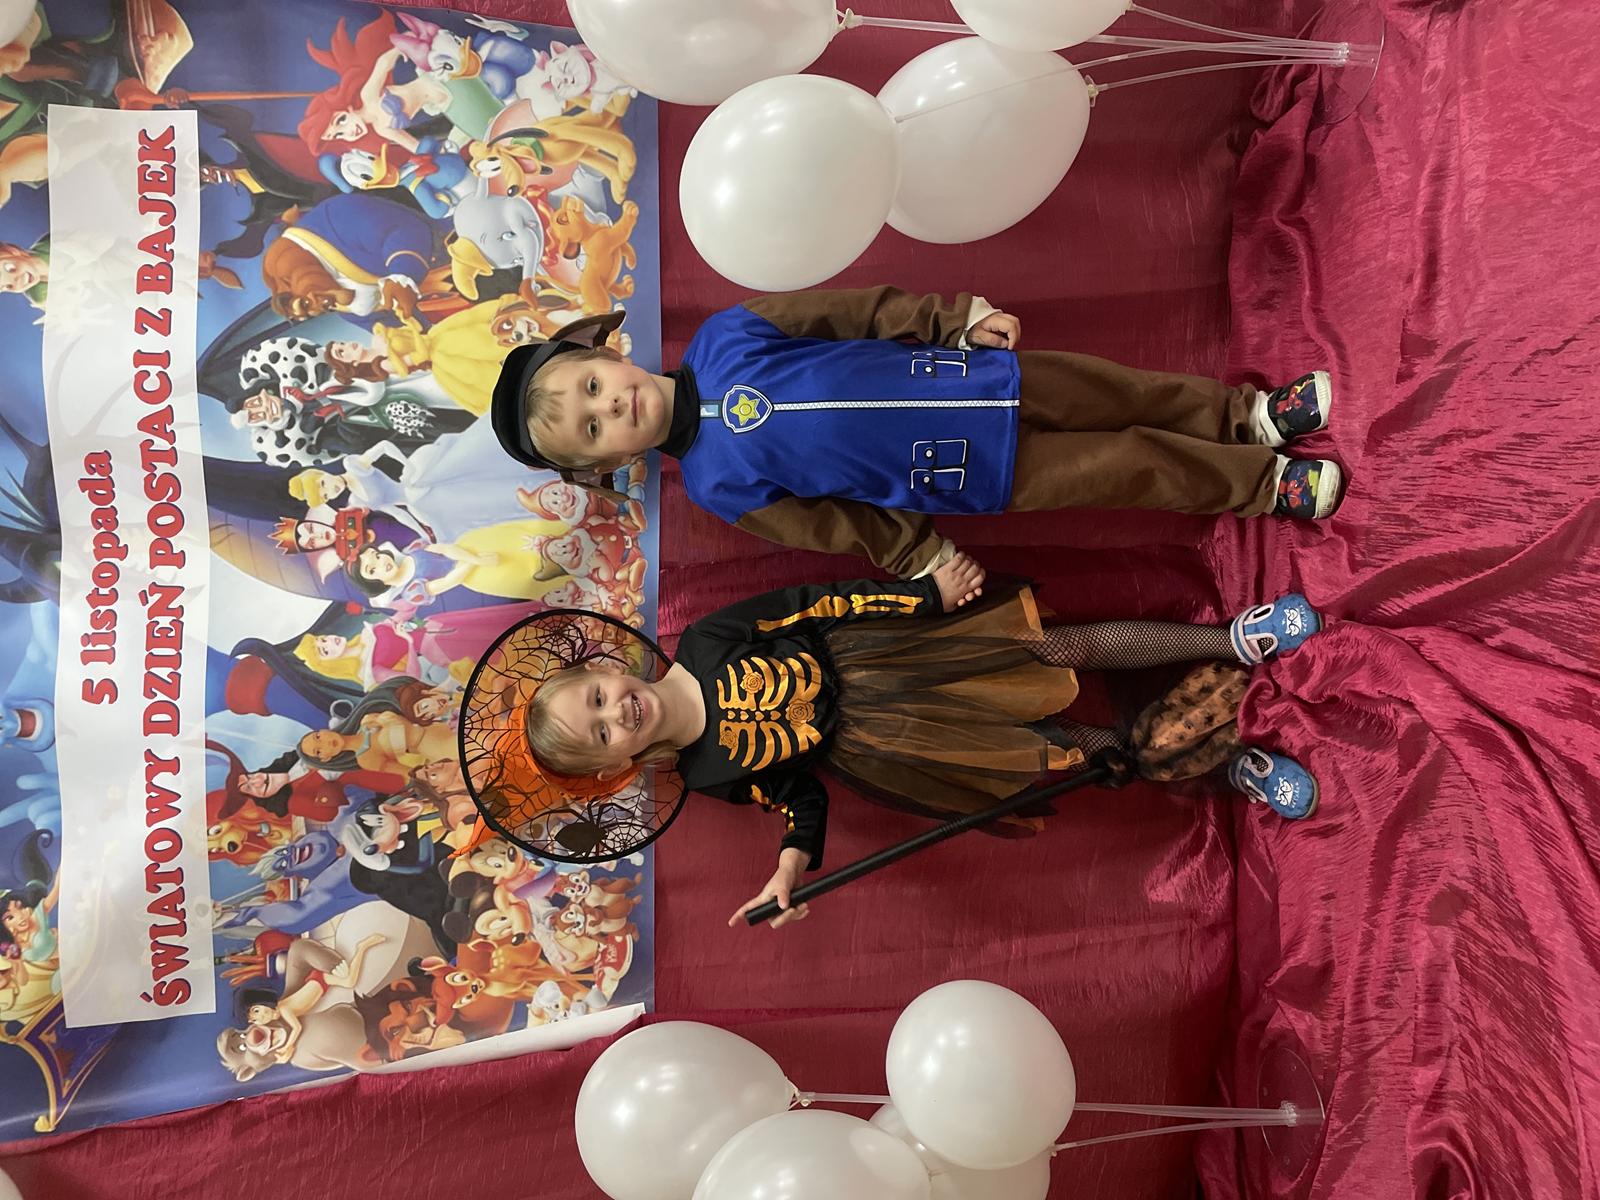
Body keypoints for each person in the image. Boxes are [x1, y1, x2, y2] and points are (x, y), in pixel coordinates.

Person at [466, 566, 1325, 931]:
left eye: (597, 697)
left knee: (1050, 649)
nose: (617, 712)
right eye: (603, 733)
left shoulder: (705, 641)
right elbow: (799, 796)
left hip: (894, 655)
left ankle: (1228, 639)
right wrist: (790, 867)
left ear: (605, 669)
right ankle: (1227, 762)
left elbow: (815, 604)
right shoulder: (710, 773)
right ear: (614, 765)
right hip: (892, 745)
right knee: (1054, 752)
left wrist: (919, 598)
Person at [487, 291, 1344, 585]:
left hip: (971, 377)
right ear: (609, 461)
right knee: (1130, 466)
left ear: (607, 356)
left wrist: (951, 318)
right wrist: (921, 556)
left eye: (593, 386)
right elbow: (839, 526)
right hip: (973, 472)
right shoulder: (719, 486)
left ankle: (1249, 417)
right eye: (592, 428)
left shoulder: (728, 334)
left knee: (1126, 390)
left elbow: (854, 310)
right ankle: (1262, 484)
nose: (612, 407)